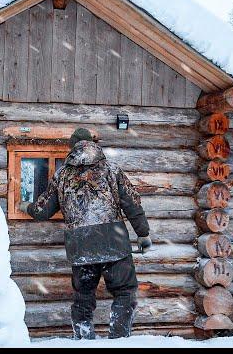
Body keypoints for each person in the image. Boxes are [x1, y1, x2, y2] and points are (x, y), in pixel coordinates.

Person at [19, 127, 152, 339]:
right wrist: (143, 234)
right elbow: (131, 203)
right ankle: (119, 339)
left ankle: (83, 339)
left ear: (72, 147)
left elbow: (43, 210)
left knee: (83, 296)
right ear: (93, 144)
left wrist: (26, 206)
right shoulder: (111, 169)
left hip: (81, 244)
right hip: (113, 241)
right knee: (125, 291)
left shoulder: (62, 174)